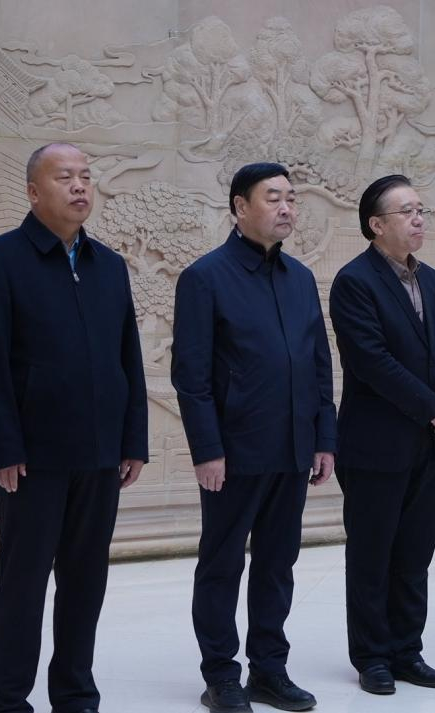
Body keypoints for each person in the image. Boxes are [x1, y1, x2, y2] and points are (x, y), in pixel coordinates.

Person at [0, 142, 148, 713]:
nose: (79, 186)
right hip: (32, 460)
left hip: (100, 454)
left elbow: (128, 358)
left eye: (85, 176)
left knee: (86, 582)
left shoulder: (109, 266)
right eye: (64, 176)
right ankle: (8, 701)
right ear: (32, 191)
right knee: (22, 585)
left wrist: (133, 440)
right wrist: (2, 448)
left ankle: (74, 693)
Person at [171, 162, 337, 713]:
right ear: (240, 207)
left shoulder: (301, 279)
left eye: (291, 198)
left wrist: (323, 438)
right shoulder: (205, 277)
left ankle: (269, 669)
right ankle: (221, 674)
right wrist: (207, 449)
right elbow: (191, 375)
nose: (286, 208)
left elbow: (318, 365)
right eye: (273, 198)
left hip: (292, 447)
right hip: (234, 451)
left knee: (277, 563)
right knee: (222, 564)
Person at [328, 175, 435, 695]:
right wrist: (430, 405)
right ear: (376, 224)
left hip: (428, 442)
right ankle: (372, 656)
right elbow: (371, 361)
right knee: (373, 556)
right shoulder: (354, 281)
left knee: (414, 554)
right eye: (406, 212)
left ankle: (408, 650)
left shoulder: (431, 279)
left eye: (420, 210)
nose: (418, 219)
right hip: (375, 446)